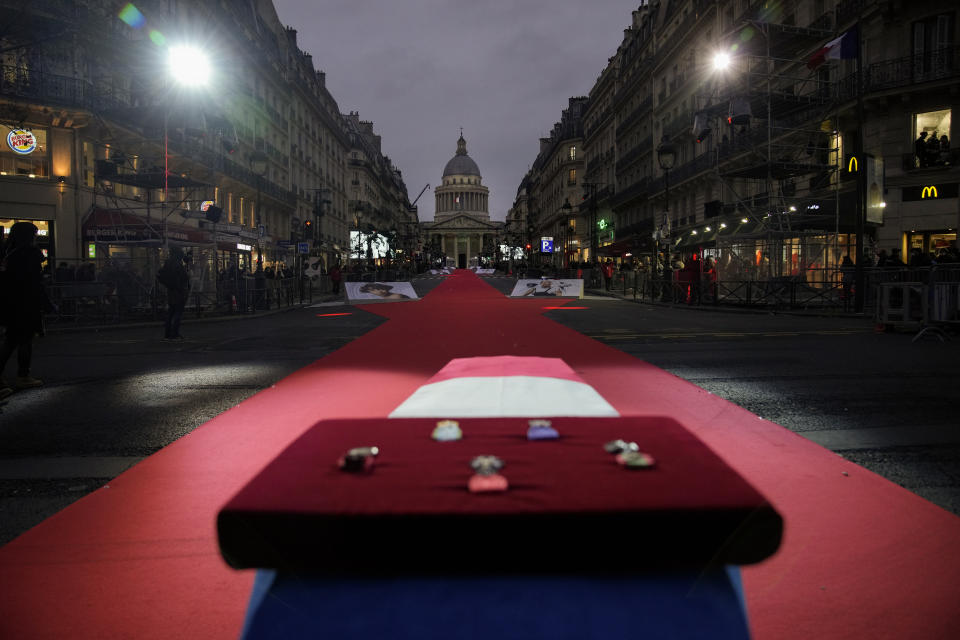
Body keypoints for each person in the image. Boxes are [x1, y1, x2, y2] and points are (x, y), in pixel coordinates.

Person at [0, 222, 55, 396]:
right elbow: (35, 283)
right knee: (24, 340)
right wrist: (47, 305)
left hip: (12, 303)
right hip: (26, 303)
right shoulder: (30, 254)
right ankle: (23, 375)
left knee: (12, 340)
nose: (36, 237)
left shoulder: (10, 253)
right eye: (35, 234)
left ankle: (18, 375)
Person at [158, 247, 190, 340]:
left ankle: (167, 334)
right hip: (178, 290)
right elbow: (184, 277)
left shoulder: (167, 263)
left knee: (171, 312)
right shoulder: (177, 264)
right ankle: (174, 334)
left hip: (170, 290)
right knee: (178, 312)